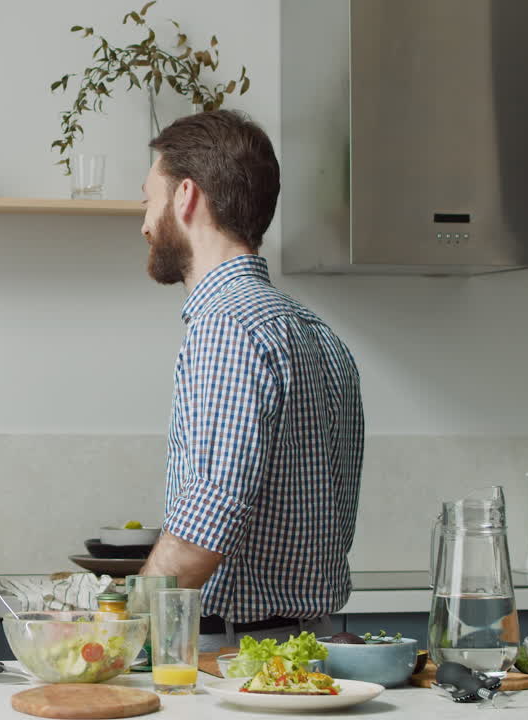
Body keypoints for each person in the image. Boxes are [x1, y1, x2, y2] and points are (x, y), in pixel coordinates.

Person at [137, 110, 365, 652]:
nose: (144, 224)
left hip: (233, 658)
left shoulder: (226, 326)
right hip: (306, 649)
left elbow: (207, 516)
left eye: (148, 200)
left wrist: (123, 626)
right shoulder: (317, 332)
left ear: (186, 196)